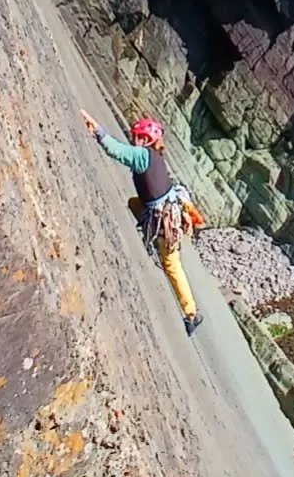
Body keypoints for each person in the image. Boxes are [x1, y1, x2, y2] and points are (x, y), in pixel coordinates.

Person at [80, 108, 205, 336]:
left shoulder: (142, 155)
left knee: (171, 265)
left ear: (145, 139)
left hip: (164, 220)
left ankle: (192, 314)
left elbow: (115, 150)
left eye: (135, 136)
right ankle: (154, 239)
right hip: (170, 212)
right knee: (134, 203)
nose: (132, 139)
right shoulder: (155, 156)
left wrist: (97, 129)